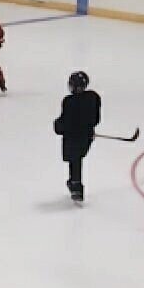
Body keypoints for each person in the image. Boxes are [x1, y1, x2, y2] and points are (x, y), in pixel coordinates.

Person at [54, 70, 101, 204]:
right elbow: (96, 119)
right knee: (77, 157)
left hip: (73, 136)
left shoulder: (69, 101)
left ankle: (76, 185)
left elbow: (64, 123)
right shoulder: (93, 97)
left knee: (74, 158)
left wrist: (57, 126)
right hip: (87, 136)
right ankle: (74, 183)